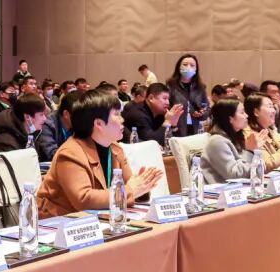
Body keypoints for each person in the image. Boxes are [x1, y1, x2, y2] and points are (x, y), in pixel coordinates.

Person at [37, 90, 162, 218]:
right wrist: (130, 190)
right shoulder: (70, 153)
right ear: (99, 124)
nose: (122, 119)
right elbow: (83, 200)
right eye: (117, 114)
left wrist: (142, 187)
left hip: (96, 219)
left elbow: (129, 188)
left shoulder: (115, 149)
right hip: (60, 222)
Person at [200, 98, 268, 184]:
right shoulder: (217, 141)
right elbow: (234, 175)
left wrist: (256, 152)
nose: (247, 115)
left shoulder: (239, 137)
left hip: (243, 187)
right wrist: (250, 152)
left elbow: (260, 170)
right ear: (230, 118)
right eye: (242, 112)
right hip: (223, 190)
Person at [121, 83, 185, 148]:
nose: (168, 103)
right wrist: (167, 122)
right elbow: (152, 143)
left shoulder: (160, 113)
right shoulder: (137, 114)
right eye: (164, 98)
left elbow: (175, 142)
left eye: (168, 99)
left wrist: (173, 125)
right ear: (151, 98)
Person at [167, 54, 209, 137]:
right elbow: (165, 107)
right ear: (179, 67)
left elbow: (207, 108)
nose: (188, 67)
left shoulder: (200, 88)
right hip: (176, 128)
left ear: (196, 69)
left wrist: (201, 113)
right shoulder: (170, 86)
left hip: (195, 128)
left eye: (192, 65)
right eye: (185, 64)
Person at [36, 90, 82, 162]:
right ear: (66, 114)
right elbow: (51, 152)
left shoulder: (81, 124)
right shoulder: (48, 124)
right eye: (80, 115)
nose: (83, 118)